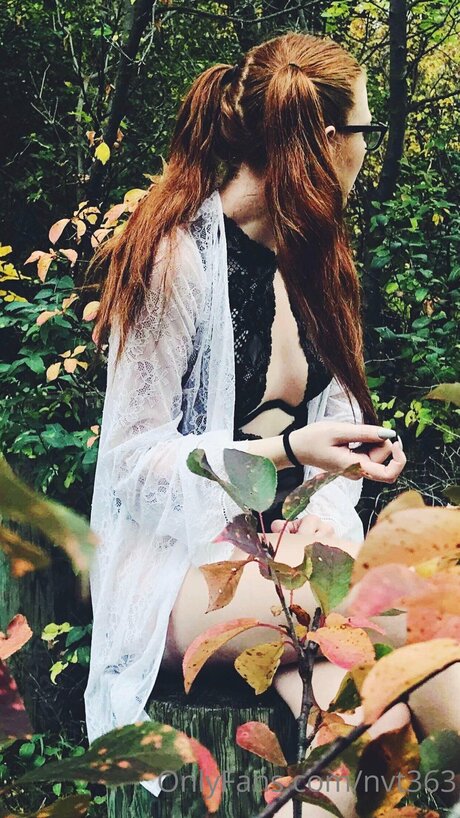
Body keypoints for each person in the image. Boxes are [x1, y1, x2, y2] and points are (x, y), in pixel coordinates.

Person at [84, 31, 458, 815]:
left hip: (292, 572)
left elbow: (335, 426)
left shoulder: (318, 259)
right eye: (364, 129)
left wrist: (327, 498)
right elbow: (132, 466)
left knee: (363, 730)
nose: (365, 149)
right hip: (176, 578)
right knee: (425, 608)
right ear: (323, 140)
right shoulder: (176, 259)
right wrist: (286, 450)